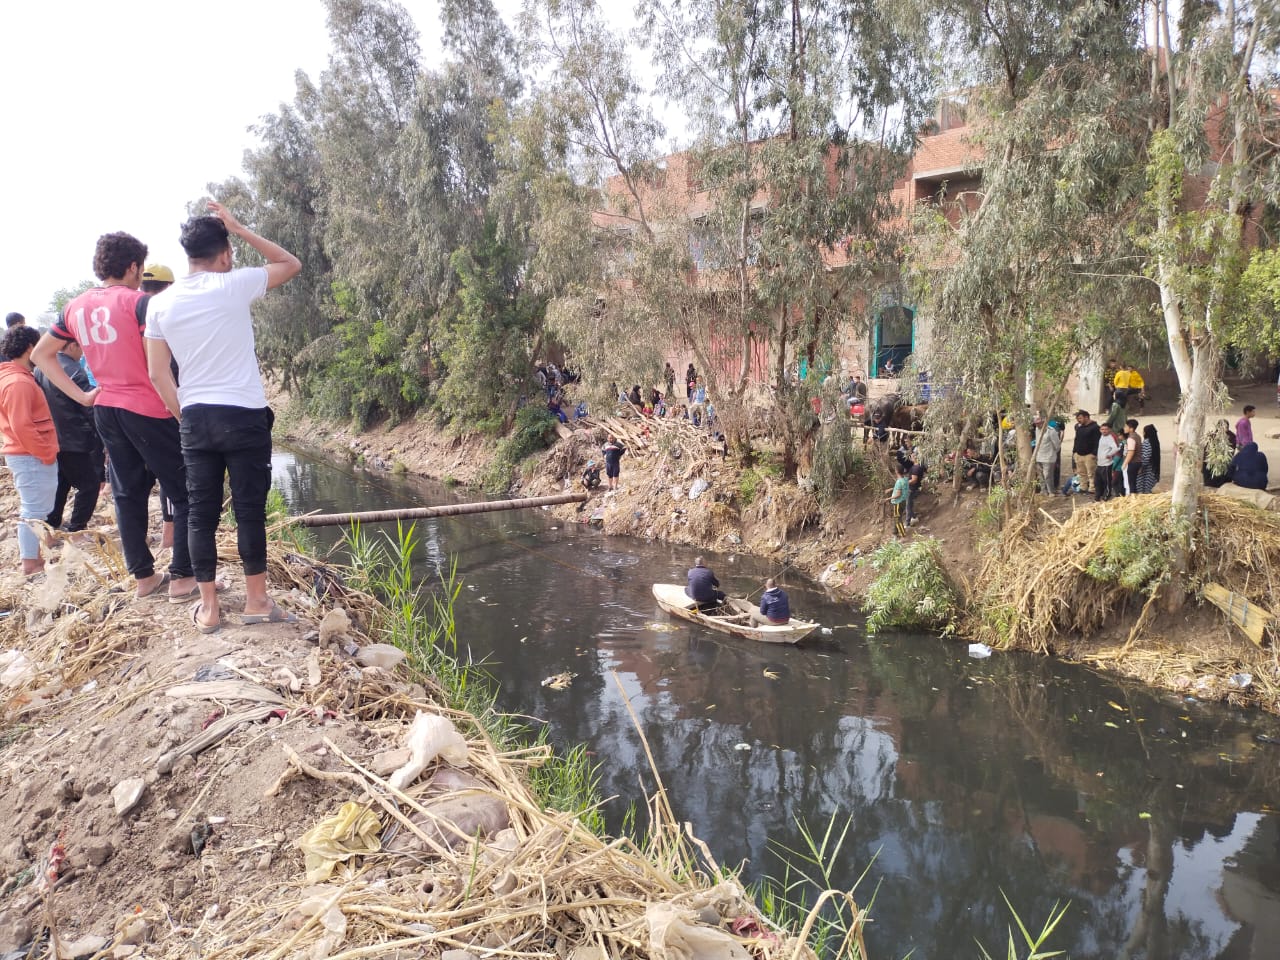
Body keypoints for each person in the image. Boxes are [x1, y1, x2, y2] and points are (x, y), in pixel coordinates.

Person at [144, 201, 302, 633]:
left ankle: (210, 608)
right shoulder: (235, 284)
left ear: (188, 256)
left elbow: (158, 373)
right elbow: (290, 262)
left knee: (201, 514)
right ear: (226, 252)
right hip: (245, 415)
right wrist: (241, 226)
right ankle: (256, 602)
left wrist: (185, 417)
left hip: (196, 417)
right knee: (249, 511)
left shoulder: (160, 304)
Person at [33, 231, 196, 602]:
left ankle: (144, 577)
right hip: (149, 408)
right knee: (186, 491)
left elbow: (43, 354)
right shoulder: (141, 304)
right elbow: (160, 366)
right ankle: (185, 577)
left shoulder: (75, 307)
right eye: (140, 269)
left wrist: (83, 396)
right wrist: (181, 412)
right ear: (134, 266)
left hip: (106, 409)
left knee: (127, 493)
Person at [0, 326, 60, 575]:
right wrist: (45, 453)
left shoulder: (13, 377)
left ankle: (35, 558)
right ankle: (30, 564)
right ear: (29, 348)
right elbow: (22, 425)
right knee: (33, 511)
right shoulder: (18, 382)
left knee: (36, 510)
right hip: (30, 455)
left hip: (27, 454)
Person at [33, 339, 103, 535]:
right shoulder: (73, 369)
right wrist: (103, 435)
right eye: (81, 346)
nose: (83, 352)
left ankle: (53, 522)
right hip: (75, 437)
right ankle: (77, 528)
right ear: (71, 345)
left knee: (62, 481)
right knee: (89, 485)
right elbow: (88, 407)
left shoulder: (41, 368)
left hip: (53, 436)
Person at [1072, 410, 1100, 495]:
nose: (1078, 420)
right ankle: (1083, 487)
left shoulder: (1095, 427)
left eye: (1080, 418)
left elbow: (1097, 441)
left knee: (1091, 473)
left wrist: (1094, 453)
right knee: (1081, 473)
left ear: (1086, 417)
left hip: (1089, 455)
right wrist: (1074, 452)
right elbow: (1076, 440)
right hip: (1079, 454)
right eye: (1077, 418)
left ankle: (1092, 488)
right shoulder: (1079, 427)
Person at [1033, 416, 1061, 495]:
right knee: (1041, 476)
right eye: (1036, 424)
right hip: (1039, 456)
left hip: (1049, 457)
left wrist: (1053, 453)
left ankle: (1051, 492)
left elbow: (1057, 445)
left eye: (1039, 423)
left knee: (1048, 476)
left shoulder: (1051, 431)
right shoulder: (1036, 430)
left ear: (1043, 422)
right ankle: (1043, 491)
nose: (1037, 425)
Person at [1095, 423, 1120, 501]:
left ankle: (1107, 494)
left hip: (1106, 464)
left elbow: (1116, 448)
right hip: (1099, 463)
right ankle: (1098, 495)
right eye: (1102, 429)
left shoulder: (1109, 438)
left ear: (1109, 430)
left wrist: (1109, 454)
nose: (1104, 431)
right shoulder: (1101, 437)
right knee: (1098, 481)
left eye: (1106, 429)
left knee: (1107, 481)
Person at [1136, 424, 1161, 493]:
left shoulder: (1147, 442)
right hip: (1152, 467)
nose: (1142, 433)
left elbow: (1146, 457)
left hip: (1146, 468)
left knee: (1142, 487)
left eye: (1143, 431)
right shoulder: (1155, 442)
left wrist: (1141, 467)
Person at [887, 463, 909, 537]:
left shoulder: (899, 481)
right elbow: (901, 488)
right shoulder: (905, 479)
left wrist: (888, 498)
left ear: (897, 471)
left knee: (897, 519)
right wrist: (891, 489)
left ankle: (903, 535)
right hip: (903, 501)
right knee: (897, 517)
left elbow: (898, 494)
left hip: (897, 502)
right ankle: (895, 532)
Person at [1120, 419, 1140, 496]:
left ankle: (1129, 498)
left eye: (1126, 426)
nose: (1124, 428)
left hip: (1132, 463)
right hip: (1137, 462)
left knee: (1128, 483)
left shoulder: (1131, 438)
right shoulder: (1137, 436)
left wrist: (1125, 463)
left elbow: (1131, 452)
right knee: (1132, 482)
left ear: (1131, 428)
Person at [906, 452, 926, 526]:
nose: (910, 458)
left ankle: (908, 523)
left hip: (911, 488)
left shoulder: (916, 468)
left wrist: (905, 482)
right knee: (909, 505)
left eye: (911, 457)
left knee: (908, 506)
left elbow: (914, 480)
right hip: (914, 488)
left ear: (915, 457)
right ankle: (913, 517)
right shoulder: (919, 466)